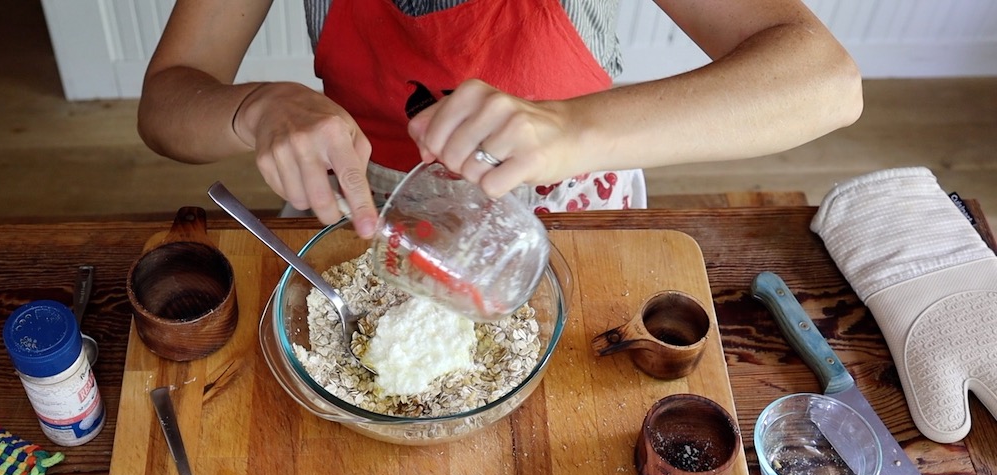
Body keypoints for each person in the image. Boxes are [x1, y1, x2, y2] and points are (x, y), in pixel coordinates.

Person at [138, 0, 862, 238]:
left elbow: (823, 80)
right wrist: (253, 107)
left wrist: (574, 131)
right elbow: (166, 101)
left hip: (569, 200)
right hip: (362, 205)